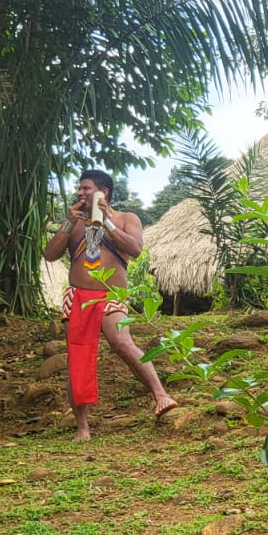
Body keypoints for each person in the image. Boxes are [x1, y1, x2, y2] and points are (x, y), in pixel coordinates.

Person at [44, 169, 176, 438]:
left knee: (122, 343)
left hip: (111, 294)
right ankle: (82, 427)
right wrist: (68, 224)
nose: (80, 193)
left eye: (86, 189)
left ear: (103, 192)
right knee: (78, 357)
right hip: (79, 296)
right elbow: (50, 254)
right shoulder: (74, 223)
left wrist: (106, 222)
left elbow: (135, 250)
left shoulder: (127, 218)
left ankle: (161, 395)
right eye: (79, 189)